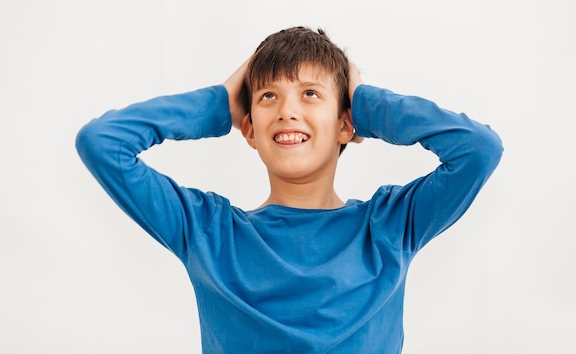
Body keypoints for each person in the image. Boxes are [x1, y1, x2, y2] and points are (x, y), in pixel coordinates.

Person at [76, 26, 503, 353]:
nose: (288, 111)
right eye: (267, 97)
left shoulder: (389, 226)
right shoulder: (208, 232)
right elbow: (102, 142)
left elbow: (478, 150)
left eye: (310, 93)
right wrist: (218, 104)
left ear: (345, 124)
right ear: (249, 129)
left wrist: (368, 104)